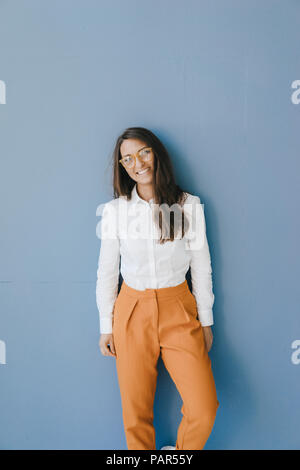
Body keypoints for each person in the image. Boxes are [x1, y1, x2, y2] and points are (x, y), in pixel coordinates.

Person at [96, 126, 220, 450]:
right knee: (135, 415)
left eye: (143, 152)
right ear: (122, 167)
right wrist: (105, 326)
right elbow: (107, 272)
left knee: (204, 409)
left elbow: (201, 266)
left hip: (178, 305)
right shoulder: (115, 211)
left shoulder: (188, 204)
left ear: (156, 153)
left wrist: (205, 320)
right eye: (127, 159)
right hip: (131, 310)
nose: (137, 163)